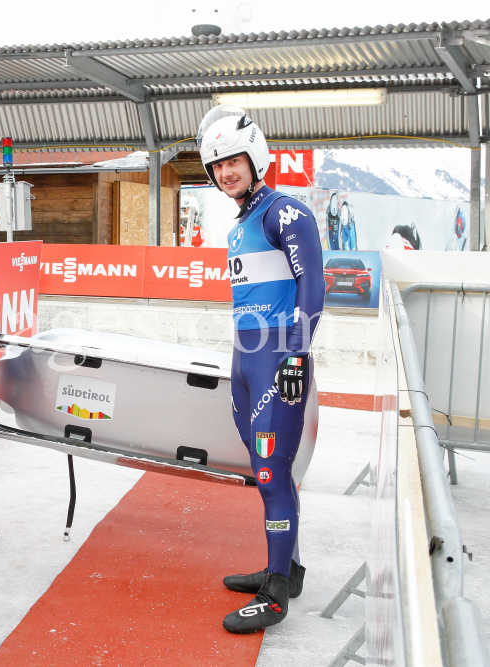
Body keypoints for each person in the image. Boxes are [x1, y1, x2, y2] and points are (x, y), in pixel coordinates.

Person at [197, 105, 324, 634]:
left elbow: (314, 289)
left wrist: (296, 354)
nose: (227, 172)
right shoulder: (241, 223)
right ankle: (285, 568)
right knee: (265, 472)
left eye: (234, 161)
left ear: (256, 159)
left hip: (278, 362)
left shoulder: (284, 213)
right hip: (245, 361)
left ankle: (275, 594)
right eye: (217, 165)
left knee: (273, 473)